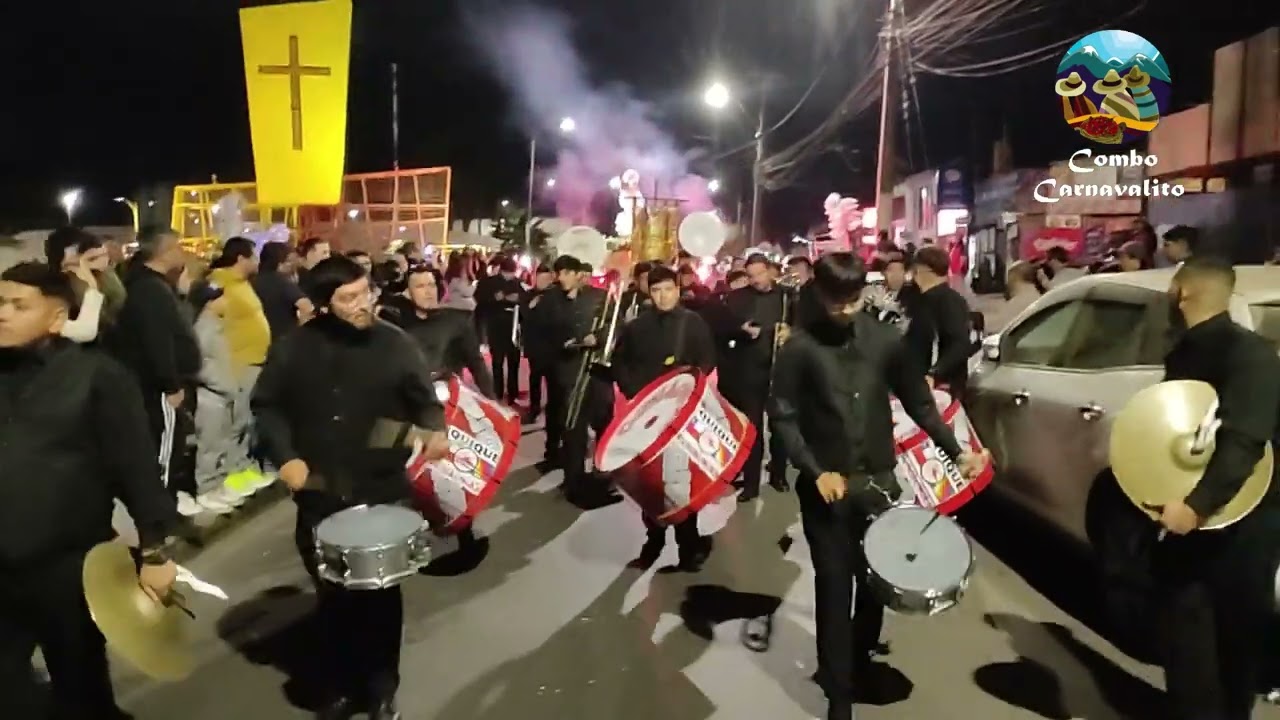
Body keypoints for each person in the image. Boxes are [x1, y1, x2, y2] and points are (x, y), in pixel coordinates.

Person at [770, 252, 988, 720]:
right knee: (834, 587)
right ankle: (838, 695)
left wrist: (957, 452)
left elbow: (921, 405)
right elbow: (783, 416)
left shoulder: (887, 341)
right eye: (836, 302)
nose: (845, 310)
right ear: (819, 294)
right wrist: (815, 470)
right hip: (827, 489)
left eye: (852, 300)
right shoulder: (799, 349)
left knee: (875, 583)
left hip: (879, 484)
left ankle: (860, 658)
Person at [251, 255, 449, 720]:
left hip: (381, 488)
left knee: (380, 598)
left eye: (366, 293)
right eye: (349, 298)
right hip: (321, 489)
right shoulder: (295, 347)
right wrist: (287, 456)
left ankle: (381, 690)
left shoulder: (395, 343)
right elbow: (267, 405)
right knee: (333, 596)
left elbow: (425, 402)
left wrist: (433, 430)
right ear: (324, 304)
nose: (363, 304)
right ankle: (341, 685)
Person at [0, 262, 179, 720]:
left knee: (80, 688)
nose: (3, 314)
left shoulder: (98, 376)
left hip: (69, 566)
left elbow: (135, 468)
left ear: (57, 317)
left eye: (18, 305)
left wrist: (155, 550)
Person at [1152, 257, 1280, 720]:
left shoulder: (1248, 355)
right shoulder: (1186, 351)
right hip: (1196, 520)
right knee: (1189, 648)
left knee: (1231, 648)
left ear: (1182, 292)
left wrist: (1196, 506)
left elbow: (1244, 440)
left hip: (1243, 522)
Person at [611, 266, 717, 571]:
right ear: (649, 292)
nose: (663, 296)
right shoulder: (637, 326)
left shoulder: (692, 322)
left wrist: (689, 387)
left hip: (682, 413)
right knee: (651, 479)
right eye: (656, 290)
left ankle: (689, 545)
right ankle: (653, 541)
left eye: (668, 289)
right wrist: (635, 392)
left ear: (677, 290)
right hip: (646, 414)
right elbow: (621, 362)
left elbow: (707, 359)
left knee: (682, 480)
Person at [112, 226, 203, 507]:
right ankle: (160, 510)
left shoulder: (155, 285)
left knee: (169, 445)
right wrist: (171, 384)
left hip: (160, 384)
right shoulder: (150, 290)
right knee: (165, 447)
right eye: (179, 247)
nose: (183, 253)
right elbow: (157, 341)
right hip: (159, 388)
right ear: (165, 252)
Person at [544, 255, 618, 507]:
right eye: (559, 273)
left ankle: (604, 473)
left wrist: (599, 338)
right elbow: (544, 331)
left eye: (566, 273)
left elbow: (614, 325)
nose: (561, 278)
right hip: (570, 372)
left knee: (604, 424)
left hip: (598, 373)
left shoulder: (600, 297)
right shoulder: (551, 300)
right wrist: (567, 343)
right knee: (573, 428)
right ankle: (573, 479)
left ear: (579, 274)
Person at [206, 237, 274, 498]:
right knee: (237, 421)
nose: (257, 261)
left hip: (255, 360)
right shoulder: (219, 283)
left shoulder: (243, 283)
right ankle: (231, 473)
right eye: (253, 256)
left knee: (247, 420)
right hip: (239, 362)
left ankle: (243, 466)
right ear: (241, 258)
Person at [722, 253, 790, 501]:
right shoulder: (736, 298)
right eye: (751, 276)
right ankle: (751, 484)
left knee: (781, 426)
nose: (757, 280)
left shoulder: (787, 296)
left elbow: (802, 326)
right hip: (749, 372)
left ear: (770, 270)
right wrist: (740, 330)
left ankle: (778, 474)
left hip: (780, 370)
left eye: (760, 274)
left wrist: (790, 332)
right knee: (752, 429)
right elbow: (723, 327)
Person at [379, 263, 494, 398]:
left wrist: (490, 398)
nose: (428, 292)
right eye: (420, 286)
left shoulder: (457, 320)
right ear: (408, 293)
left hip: (448, 398)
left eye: (431, 285)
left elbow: (477, 364)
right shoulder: (396, 325)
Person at [901, 245, 973, 396]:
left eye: (915, 270)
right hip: (920, 384)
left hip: (939, 389)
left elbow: (960, 344)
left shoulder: (947, 301)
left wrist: (934, 374)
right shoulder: (922, 300)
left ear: (922, 270)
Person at [474, 257, 523, 404]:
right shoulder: (489, 282)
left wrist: (518, 299)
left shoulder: (517, 283)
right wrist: (495, 298)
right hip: (496, 325)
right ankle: (497, 391)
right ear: (501, 271)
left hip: (513, 326)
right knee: (497, 361)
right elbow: (479, 299)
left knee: (514, 361)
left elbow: (524, 299)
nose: (510, 276)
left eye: (512, 273)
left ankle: (513, 392)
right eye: (507, 273)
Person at [521, 265, 558, 430]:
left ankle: (552, 411)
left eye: (546, 279)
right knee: (535, 378)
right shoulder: (529, 295)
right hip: (535, 344)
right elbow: (523, 315)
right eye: (540, 278)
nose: (543, 282)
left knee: (552, 381)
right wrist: (531, 306)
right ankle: (534, 409)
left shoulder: (555, 295)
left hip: (551, 345)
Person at [252, 241, 313, 341]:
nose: (290, 266)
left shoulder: (251, 282)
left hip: (259, 338)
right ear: (279, 263)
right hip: (284, 338)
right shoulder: (281, 281)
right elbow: (306, 306)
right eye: (287, 261)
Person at [984, 261, 1040, 333]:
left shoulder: (1020, 301)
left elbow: (1001, 326)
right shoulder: (1034, 295)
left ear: (1015, 278)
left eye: (1009, 278)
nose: (1007, 283)